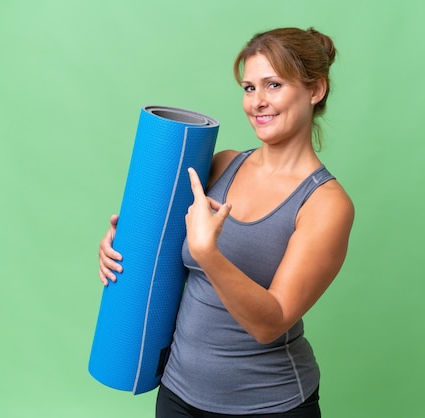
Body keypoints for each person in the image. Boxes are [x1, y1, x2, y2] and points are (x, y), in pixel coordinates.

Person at [98, 27, 354, 417]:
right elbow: (159, 258)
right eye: (249, 88)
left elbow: (273, 322)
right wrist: (120, 247)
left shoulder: (325, 204)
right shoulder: (220, 165)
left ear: (315, 90)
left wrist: (209, 253)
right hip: (177, 393)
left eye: (273, 85)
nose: (257, 102)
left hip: (270, 404)